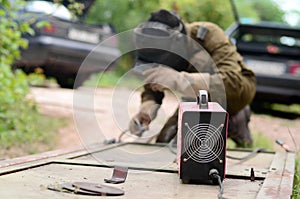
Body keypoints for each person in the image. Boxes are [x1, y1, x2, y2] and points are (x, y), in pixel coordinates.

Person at [129, 9, 256, 147]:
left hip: (236, 94)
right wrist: (147, 109)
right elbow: (153, 84)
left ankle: (236, 119)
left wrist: (178, 80)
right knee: (165, 144)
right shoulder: (159, 47)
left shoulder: (208, 34)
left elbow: (233, 84)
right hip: (195, 100)